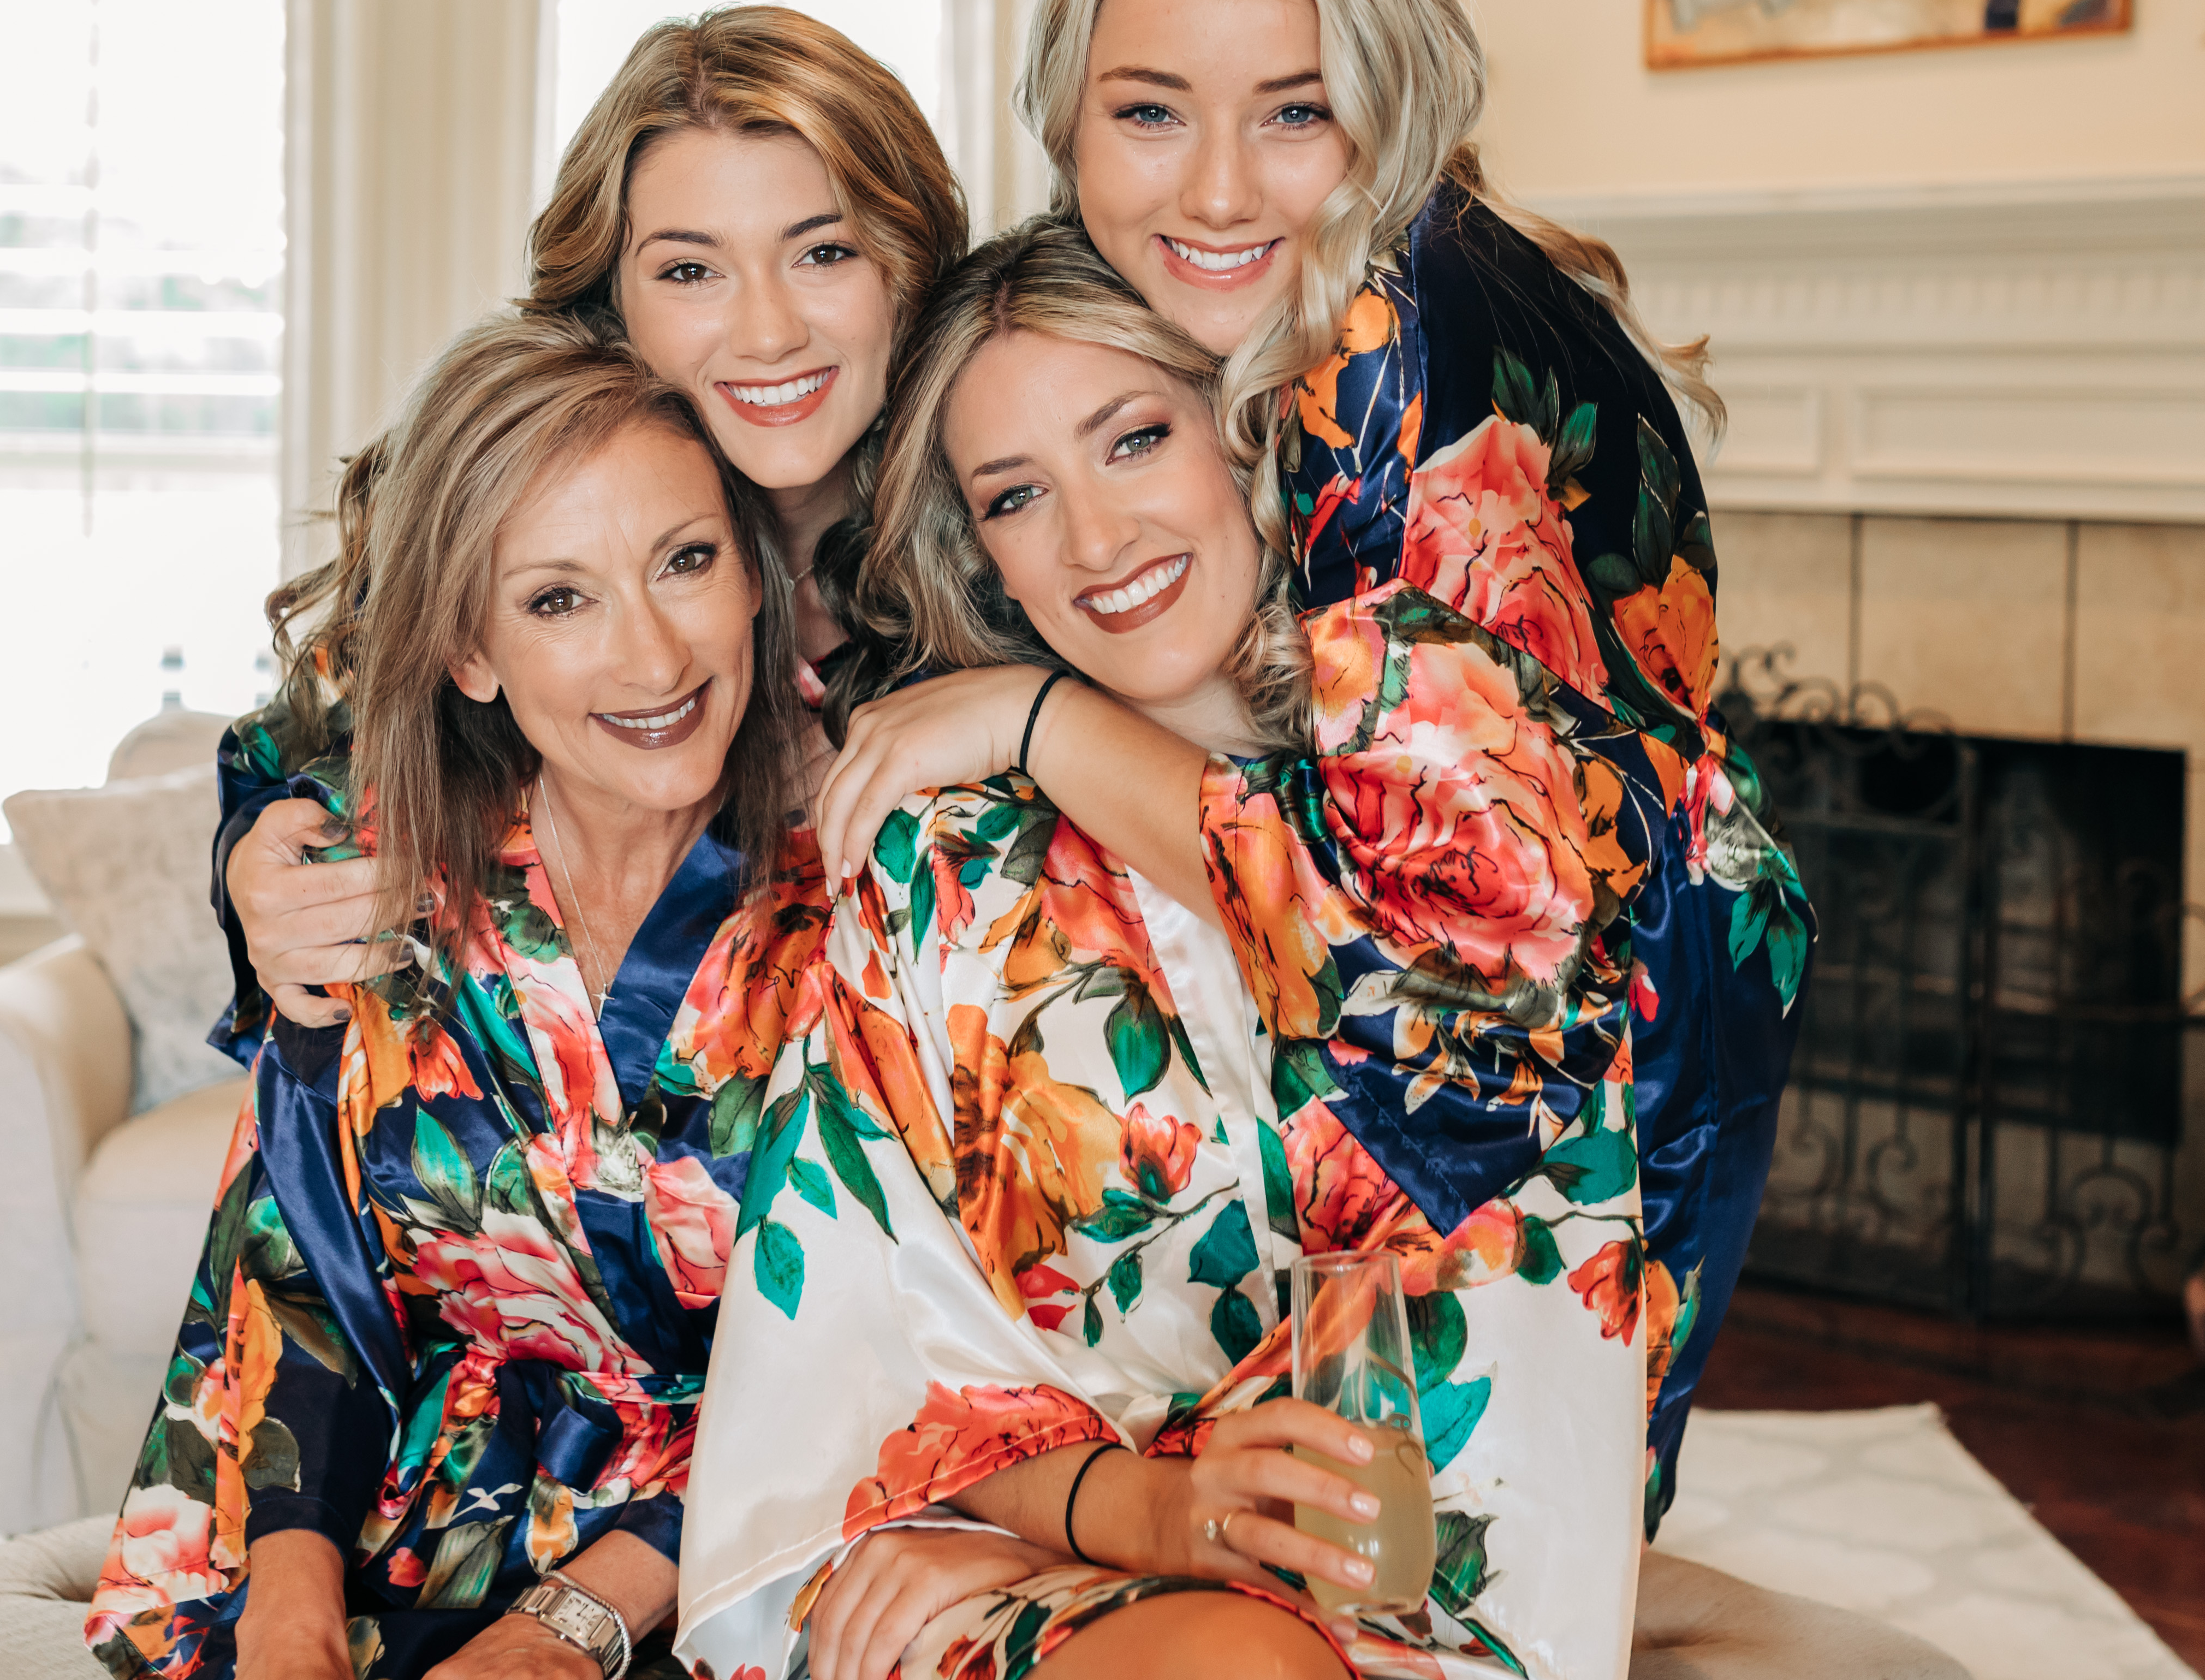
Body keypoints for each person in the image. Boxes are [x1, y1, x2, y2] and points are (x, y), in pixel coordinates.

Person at [683, 227, 1952, 1680]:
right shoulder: (939, 868)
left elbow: (1576, 1248)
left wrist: (1042, 717)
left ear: (1248, 438)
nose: (1093, 540)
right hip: (1078, 1560)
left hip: (1425, 1566)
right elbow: (873, 1364)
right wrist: (1147, 1515)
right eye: (1016, 495)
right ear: (980, 553)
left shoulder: (1473, 827)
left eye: (1135, 438)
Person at [812, 0, 1814, 1536]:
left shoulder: (1391, 348)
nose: (1215, 192)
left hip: (1588, 1042)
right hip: (1595, 984)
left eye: (1293, 112)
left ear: (1381, 108)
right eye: (1150, 113)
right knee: (1451, 1560)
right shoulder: (1357, 304)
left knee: (1444, 1563)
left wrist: (1036, 721)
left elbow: (1415, 958)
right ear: (1062, 122)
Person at [86, 319, 852, 1680]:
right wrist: (291, 1623)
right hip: (415, 1536)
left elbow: (888, 1352)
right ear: (471, 652)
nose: (653, 656)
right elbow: (300, 1281)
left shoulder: (876, 899)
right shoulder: (371, 884)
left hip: (757, 1554)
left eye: (685, 561)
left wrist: (566, 1628)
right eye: (559, 599)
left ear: (754, 576)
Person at [215, 7, 968, 1040]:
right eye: (691, 270)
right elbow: (296, 752)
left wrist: (1032, 712)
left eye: (824, 252)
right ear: (611, 301)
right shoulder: (510, 501)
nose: (768, 332)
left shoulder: (1019, 533)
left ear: (905, 269)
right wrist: (257, 870)